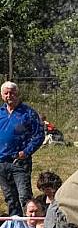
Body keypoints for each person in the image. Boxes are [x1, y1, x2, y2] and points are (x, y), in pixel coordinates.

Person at [0, 82, 44, 216]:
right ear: (2, 95)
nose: (9, 95)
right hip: (1, 162)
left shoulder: (28, 113)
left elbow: (39, 134)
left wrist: (26, 151)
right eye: (6, 93)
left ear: (17, 94)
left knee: (24, 196)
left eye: (12, 92)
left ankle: (30, 226)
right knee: (10, 198)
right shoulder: (0, 113)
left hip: (19, 162)